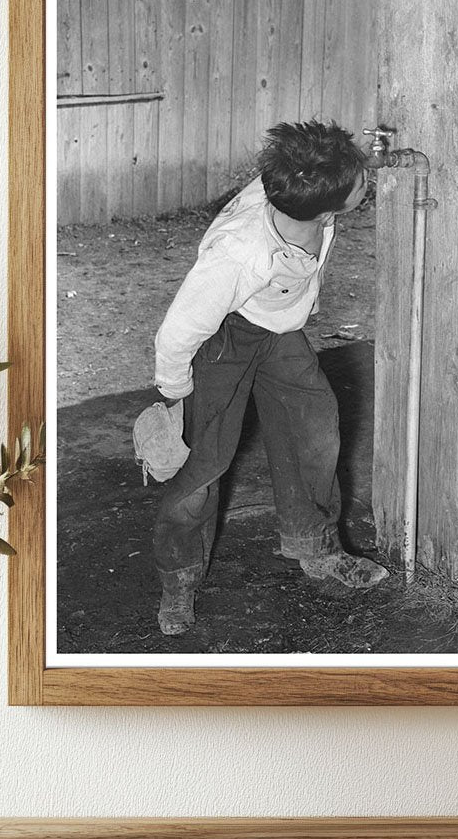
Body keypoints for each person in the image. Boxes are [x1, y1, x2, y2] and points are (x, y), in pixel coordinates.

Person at [146, 119, 389, 636]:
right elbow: (178, 330)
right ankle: (179, 578)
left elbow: (309, 161)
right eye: (360, 182)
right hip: (221, 339)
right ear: (329, 207)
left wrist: (344, 154)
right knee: (202, 464)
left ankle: (315, 547)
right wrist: (173, 398)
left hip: (279, 331)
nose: (366, 183)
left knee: (315, 431)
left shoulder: (294, 187)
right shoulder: (238, 255)